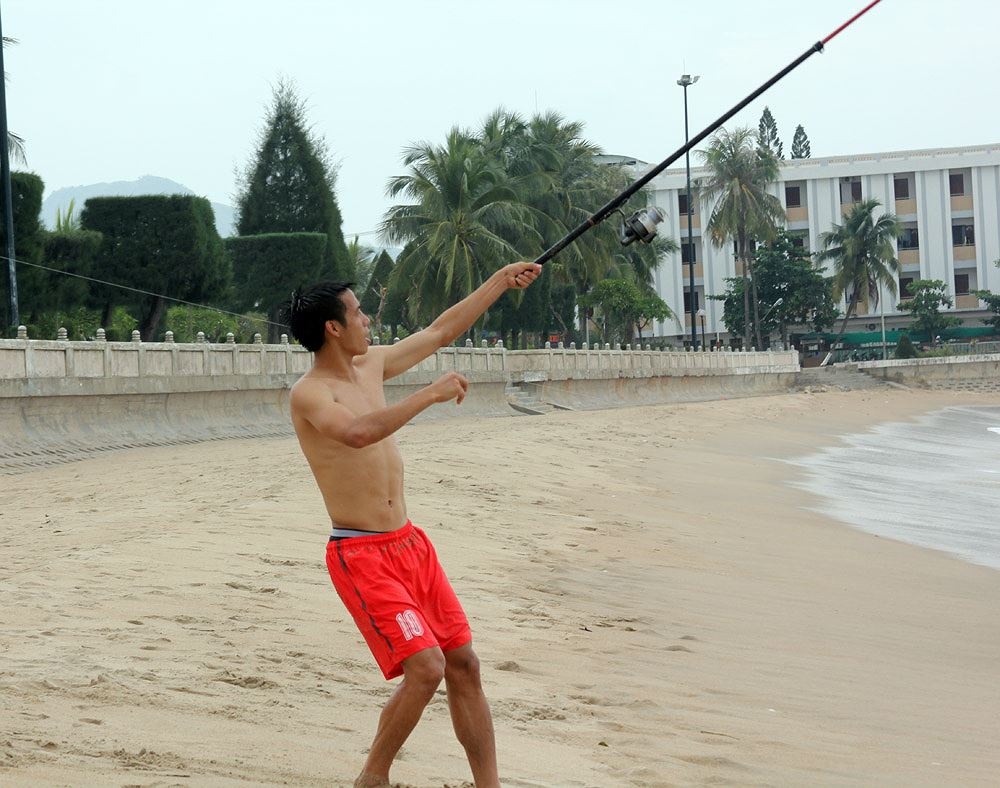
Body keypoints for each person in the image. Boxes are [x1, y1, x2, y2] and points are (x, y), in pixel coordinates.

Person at [286, 261, 542, 788]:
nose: (367, 322)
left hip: (410, 545)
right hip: (361, 555)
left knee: (463, 665)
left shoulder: (372, 365)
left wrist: (498, 280)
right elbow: (356, 434)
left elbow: (441, 330)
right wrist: (427, 395)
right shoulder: (311, 393)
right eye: (358, 314)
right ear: (333, 328)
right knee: (425, 668)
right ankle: (372, 778)